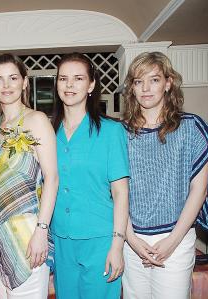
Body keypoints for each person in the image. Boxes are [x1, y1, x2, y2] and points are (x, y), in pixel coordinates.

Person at [122, 51, 208, 299]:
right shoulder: (118, 133)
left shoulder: (191, 127)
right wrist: (131, 239)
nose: (145, 88)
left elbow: (199, 189)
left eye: (154, 80)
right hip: (131, 238)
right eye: (138, 81)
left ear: (168, 83)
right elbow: (114, 192)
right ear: (131, 87)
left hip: (176, 237)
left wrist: (173, 241)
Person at [50, 53, 129, 299]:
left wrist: (117, 245)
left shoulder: (111, 131)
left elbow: (121, 192)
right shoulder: (47, 132)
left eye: (78, 78)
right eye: (63, 78)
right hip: (61, 239)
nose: (70, 85)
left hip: (100, 239)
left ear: (91, 84)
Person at [0, 53, 58, 299]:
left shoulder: (36, 120)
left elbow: (52, 178)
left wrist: (41, 231)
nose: (6, 86)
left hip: (28, 238)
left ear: (25, 82)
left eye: (13, 78)